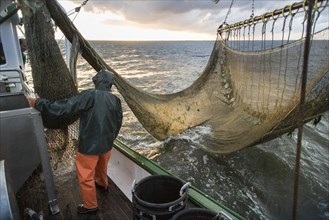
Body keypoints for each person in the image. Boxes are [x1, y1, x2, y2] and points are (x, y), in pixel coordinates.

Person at [27, 70, 123, 214]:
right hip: (107, 145)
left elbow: (63, 108)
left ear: (96, 81)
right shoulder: (116, 100)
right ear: (111, 84)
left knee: (85, 176)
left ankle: (90, 206)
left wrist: (39, 102)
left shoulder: (89, 95)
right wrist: (111, 139)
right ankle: (103, 184)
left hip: (89, 146)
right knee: (102, 166)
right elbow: (118, 122)